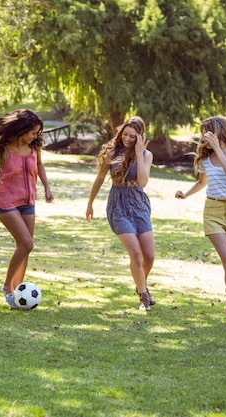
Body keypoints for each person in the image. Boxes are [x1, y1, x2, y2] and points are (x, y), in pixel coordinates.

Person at [0, 109, 54, 309]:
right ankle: (8, 286)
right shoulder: (0, 147)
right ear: (22, 129)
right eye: (32, 132)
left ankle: (18, 293)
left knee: (24, 248)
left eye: (37, 133)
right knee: (26, 244)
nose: (35, 136)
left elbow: (40, 165)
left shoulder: (35, 146)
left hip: (28, 201)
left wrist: (46, 186)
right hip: (6, 201)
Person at [175, 115, 226, 322]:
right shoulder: (206, 159)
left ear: (219, 132)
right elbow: (202, 182)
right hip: (213, 211)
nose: (203, 137)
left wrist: (218, 149)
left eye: (207, 132)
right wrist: (186, 194)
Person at [86, 116, 156, 311]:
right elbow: (100, 178)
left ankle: (140, 284)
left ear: (140, 137)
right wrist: (90, 203)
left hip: (139, 204)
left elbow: (142, 182)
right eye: (125, 134)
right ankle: (143, 297)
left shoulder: (147, 155)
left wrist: (139, 154)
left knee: (149, 256)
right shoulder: (112, 152)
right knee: (135, 252)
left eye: (132, 136)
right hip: (118, 205)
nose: (127, 138)